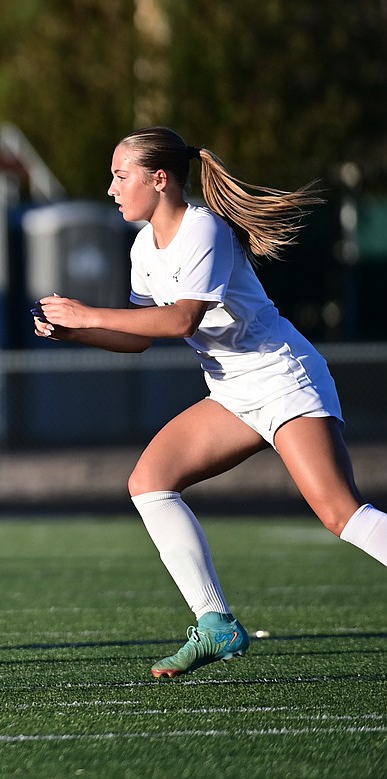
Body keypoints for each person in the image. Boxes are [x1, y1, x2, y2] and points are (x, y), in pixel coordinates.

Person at [32, 126, 387, 678]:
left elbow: (180, 320)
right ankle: (216, 625)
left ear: (160, 178)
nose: (111, 188)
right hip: (232, 390)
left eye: (120, 176)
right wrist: (72, 333)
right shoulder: (143, 247)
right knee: (149, 483)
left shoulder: (204, 229)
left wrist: (88, 314)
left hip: (282, 378)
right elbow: (141, 337)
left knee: (340, 513)